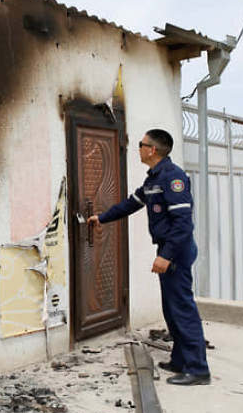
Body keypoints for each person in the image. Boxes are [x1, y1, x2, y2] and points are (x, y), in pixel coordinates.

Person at [88, 128, 211, 386]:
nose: (139, 149)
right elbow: (131, 203)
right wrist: (102, 217)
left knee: (182, 308)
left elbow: (182, 223)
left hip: (176, 249)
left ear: (152, 149)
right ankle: (180, 360)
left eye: (142, 144)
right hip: (168, 248)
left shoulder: (172, 177)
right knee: (171, 307)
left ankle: (198, 369)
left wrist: (166, 255)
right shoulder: (154, 179)